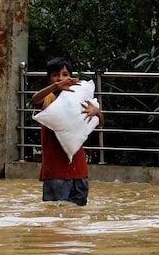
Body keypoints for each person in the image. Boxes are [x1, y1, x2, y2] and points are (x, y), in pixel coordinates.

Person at [31, 57, 104, 206]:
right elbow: (35, 99)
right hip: (55, 172)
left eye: (64, 74)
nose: (60, 78)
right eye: (55, 75)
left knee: (77, 217)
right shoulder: (48, 98)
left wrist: (97, 112)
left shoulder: (78, 97)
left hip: (80, 171)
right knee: (55, 216)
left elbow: (101, 123)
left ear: (70, 76)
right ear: (49, 78)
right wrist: (56, 86)